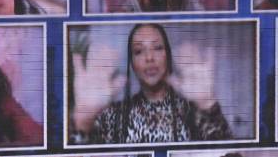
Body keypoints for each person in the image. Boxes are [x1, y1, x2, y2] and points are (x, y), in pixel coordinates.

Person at [71, 23, 231, 145]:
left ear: (168, 56)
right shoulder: (114, 116)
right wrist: (83, 118)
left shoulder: (194, 113)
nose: (149, 57)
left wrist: (207, 103)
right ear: (132, 64)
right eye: (139, 51)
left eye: (157, 48)